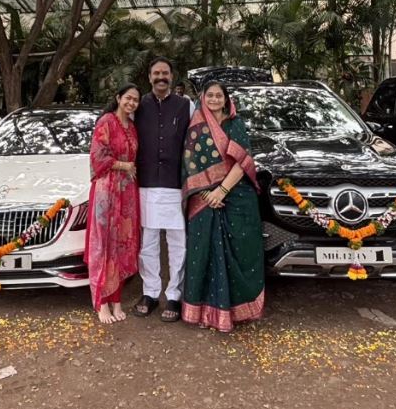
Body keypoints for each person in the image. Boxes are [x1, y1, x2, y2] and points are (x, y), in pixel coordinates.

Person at [181, 81, 265, 333]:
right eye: (210, 95)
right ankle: (206, 313)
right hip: (203, 198)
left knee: (239, 251)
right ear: (203, 98)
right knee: (204, 252)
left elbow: (243, 162)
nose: (215, 99)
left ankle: (237, 312)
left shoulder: (235, 124)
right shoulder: (195, 127)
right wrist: (207, 193)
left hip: (236, 196)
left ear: (227, 99)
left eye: (219, 95)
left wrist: (222, 190)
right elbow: (188, 166)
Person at [132, 56, 193, 322]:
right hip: (146, 183)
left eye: (165, 73)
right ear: (149, 77)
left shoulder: (185, 105)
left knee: (178, 243)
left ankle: (175, 295)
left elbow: (196, 138)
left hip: (175, 184)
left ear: (171, 76)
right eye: (156, 73)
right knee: (148, 243)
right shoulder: (138, 105)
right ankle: (150, 292)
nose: (160, 77)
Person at [85, 84, 142, 324]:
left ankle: (117, 299)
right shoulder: (106, 121)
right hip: (107, 189)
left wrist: (130, 169)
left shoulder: (132, 127)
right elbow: (97, 156)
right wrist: (123, 165)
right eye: (128, 98)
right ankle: (101, 302)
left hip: (127, 191)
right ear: (118, 98)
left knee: (122, 244)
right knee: (104, 244)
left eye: (136, 100)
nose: (131, 103)